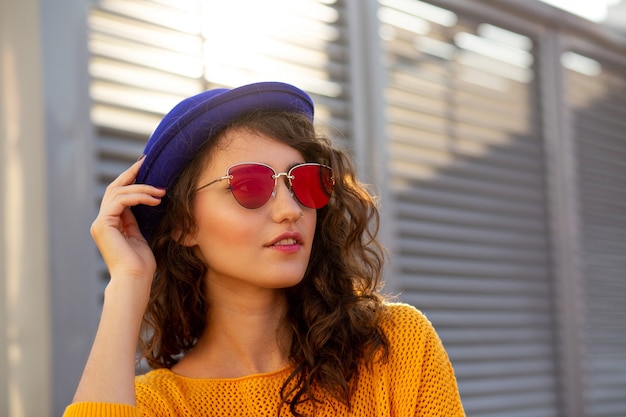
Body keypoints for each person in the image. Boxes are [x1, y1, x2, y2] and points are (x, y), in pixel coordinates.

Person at [64, 81, 465, 416]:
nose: (291, 210)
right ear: (185, 224)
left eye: (303, 182)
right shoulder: (157, 406)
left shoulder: (394, 348)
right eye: (250, 186)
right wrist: (128, 282)